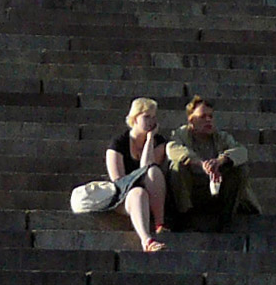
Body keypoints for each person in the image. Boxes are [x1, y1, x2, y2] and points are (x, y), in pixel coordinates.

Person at [165, 95, 257, 229]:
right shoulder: (180, 134)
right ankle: (184, 216)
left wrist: (221, 161)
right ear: (191, 120)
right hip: (192, 191)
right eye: (202, 117)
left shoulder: (222, 137)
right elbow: (172, 148)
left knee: (240, 168)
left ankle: (226, 219)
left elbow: (242, 152)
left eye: (211, 116)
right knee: (177, 166)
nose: (208, 120)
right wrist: (199, 163)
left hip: (217, 190)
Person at [104, 96, 170, 255]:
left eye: (154, 117)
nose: (151, 121)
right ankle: (147, 240)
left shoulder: (159, 141)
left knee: (153, 171)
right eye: (146, 117)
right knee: (137, 193)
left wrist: (149, 139)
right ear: (134, 118)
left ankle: (160, 224)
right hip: (127, 196)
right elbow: (118, 182)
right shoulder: (118, 143)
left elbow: (146, 167)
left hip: (154, 194)